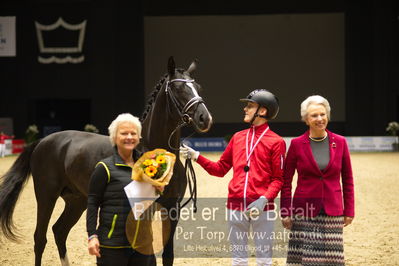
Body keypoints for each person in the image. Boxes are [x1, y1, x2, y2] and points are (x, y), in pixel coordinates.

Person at [180, 89, 286, 266]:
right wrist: (197, 156)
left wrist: (264, 200)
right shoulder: (237, 138)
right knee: (238, 259)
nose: (245, 109)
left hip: (262, 209)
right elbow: (220, 169)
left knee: (264, 259)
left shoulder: (277, 142)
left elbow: (278, 179)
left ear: (263, 111)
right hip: (235, 206)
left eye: (250, 106)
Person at [280, 95, 355, 266]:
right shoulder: (297, 144)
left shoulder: (341, 142)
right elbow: (286, 181)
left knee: (332, 259)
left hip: (333, 209)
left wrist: (349, 210)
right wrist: (285, 210)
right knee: (307, 259)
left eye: (323, 114)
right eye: (314, 115)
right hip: (304, 211)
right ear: (306, 119)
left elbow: (348, 179)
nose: (320, 119)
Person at [87, 113, 162, 266]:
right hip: (113, 245)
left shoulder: (149, 165)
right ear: (114, 137)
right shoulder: (104, 168)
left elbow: (152, 202)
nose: (129, 137)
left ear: (139, 137)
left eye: (133, 133)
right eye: (124, 133)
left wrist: (159, 189)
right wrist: (92, 236)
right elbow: (93, 202)